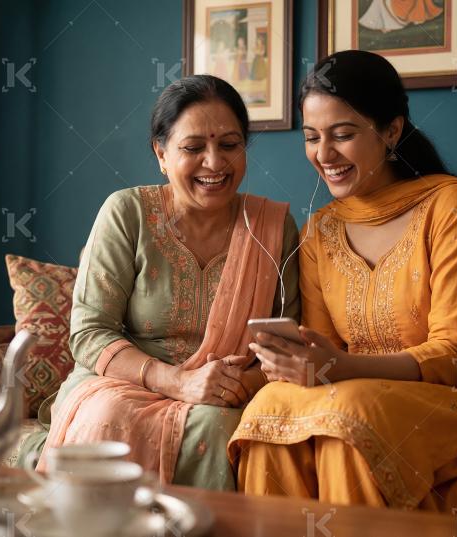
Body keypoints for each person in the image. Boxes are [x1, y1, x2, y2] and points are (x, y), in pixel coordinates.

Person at [227, 50, 457, 526]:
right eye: (312, 137)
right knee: (272, 405)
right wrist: (294, 360)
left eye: (343, 134)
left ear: (391, 131)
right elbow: (325, 346)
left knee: (351, 415)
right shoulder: (320, 232)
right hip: (357, 399)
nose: (324, 155)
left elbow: (454, 354)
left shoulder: (452, 207)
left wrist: (338, 366)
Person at [31, 74, 300, 491]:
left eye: (229, 145)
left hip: (223, 394)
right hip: (122, 383)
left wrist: (233, 386)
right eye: (193, 148)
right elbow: (89, 333)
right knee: (110, 416)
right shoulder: (128, 213)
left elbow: (285, 341)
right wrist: (177, 381)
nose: (214, 162)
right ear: (161, 153)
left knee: (218, 426)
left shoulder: (273, 227)